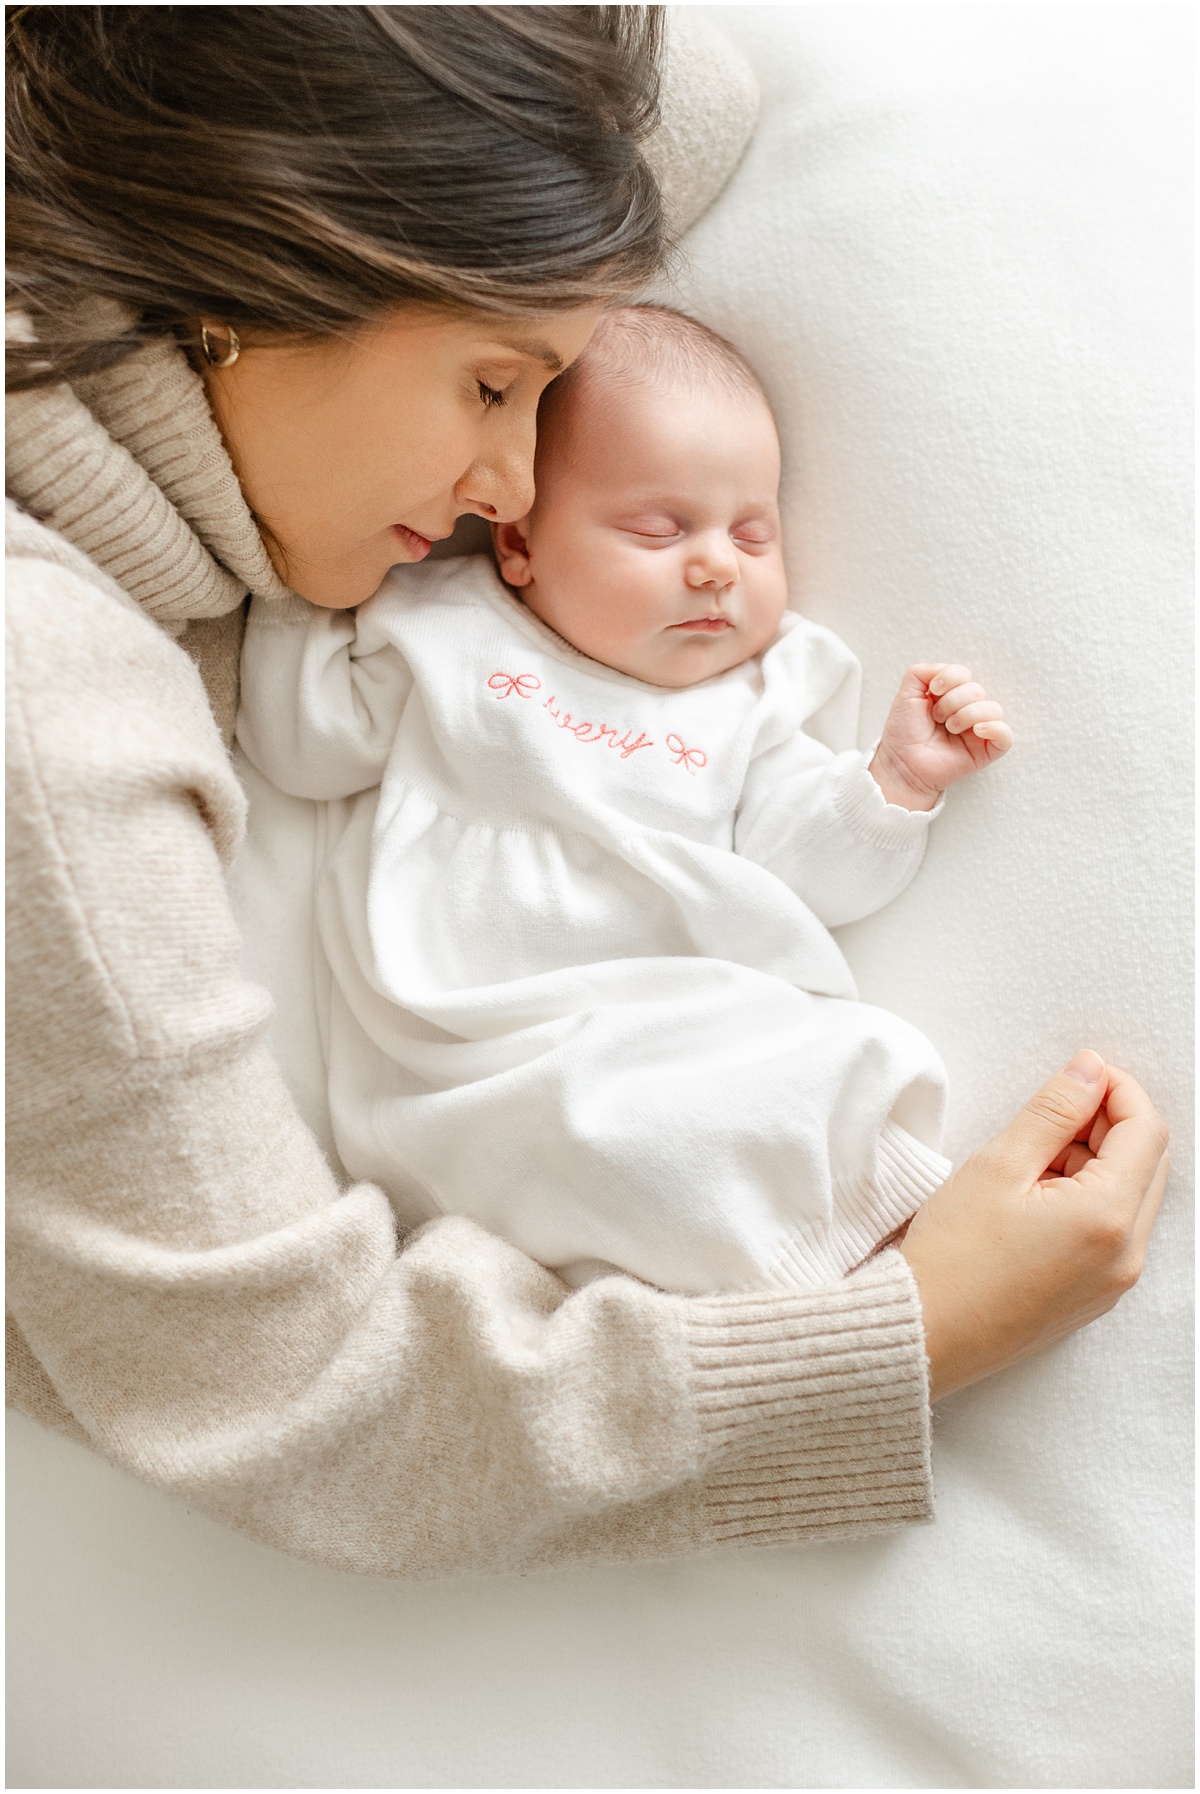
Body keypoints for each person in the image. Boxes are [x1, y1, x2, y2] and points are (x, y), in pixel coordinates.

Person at [6, 6, 1168, 1579]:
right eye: (497, 388)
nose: (513, 490)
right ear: (264, 271)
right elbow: (290, 1389)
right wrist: (912, 1330)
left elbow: (688, 99)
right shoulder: (43, 703)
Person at [235, 304, 1014, 1296]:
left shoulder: (761, 695)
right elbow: (303, 748)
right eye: (658, 527)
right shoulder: (447, 628)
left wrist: (896, 781)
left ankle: (849, 1255)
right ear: (517, 544)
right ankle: (756, 1287)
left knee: (846, 1061)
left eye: (752, 532)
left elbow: (810, 875)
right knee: (592, 1130)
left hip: (682, 1008)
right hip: (481, 1037)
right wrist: (296, 578)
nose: (715, 565)